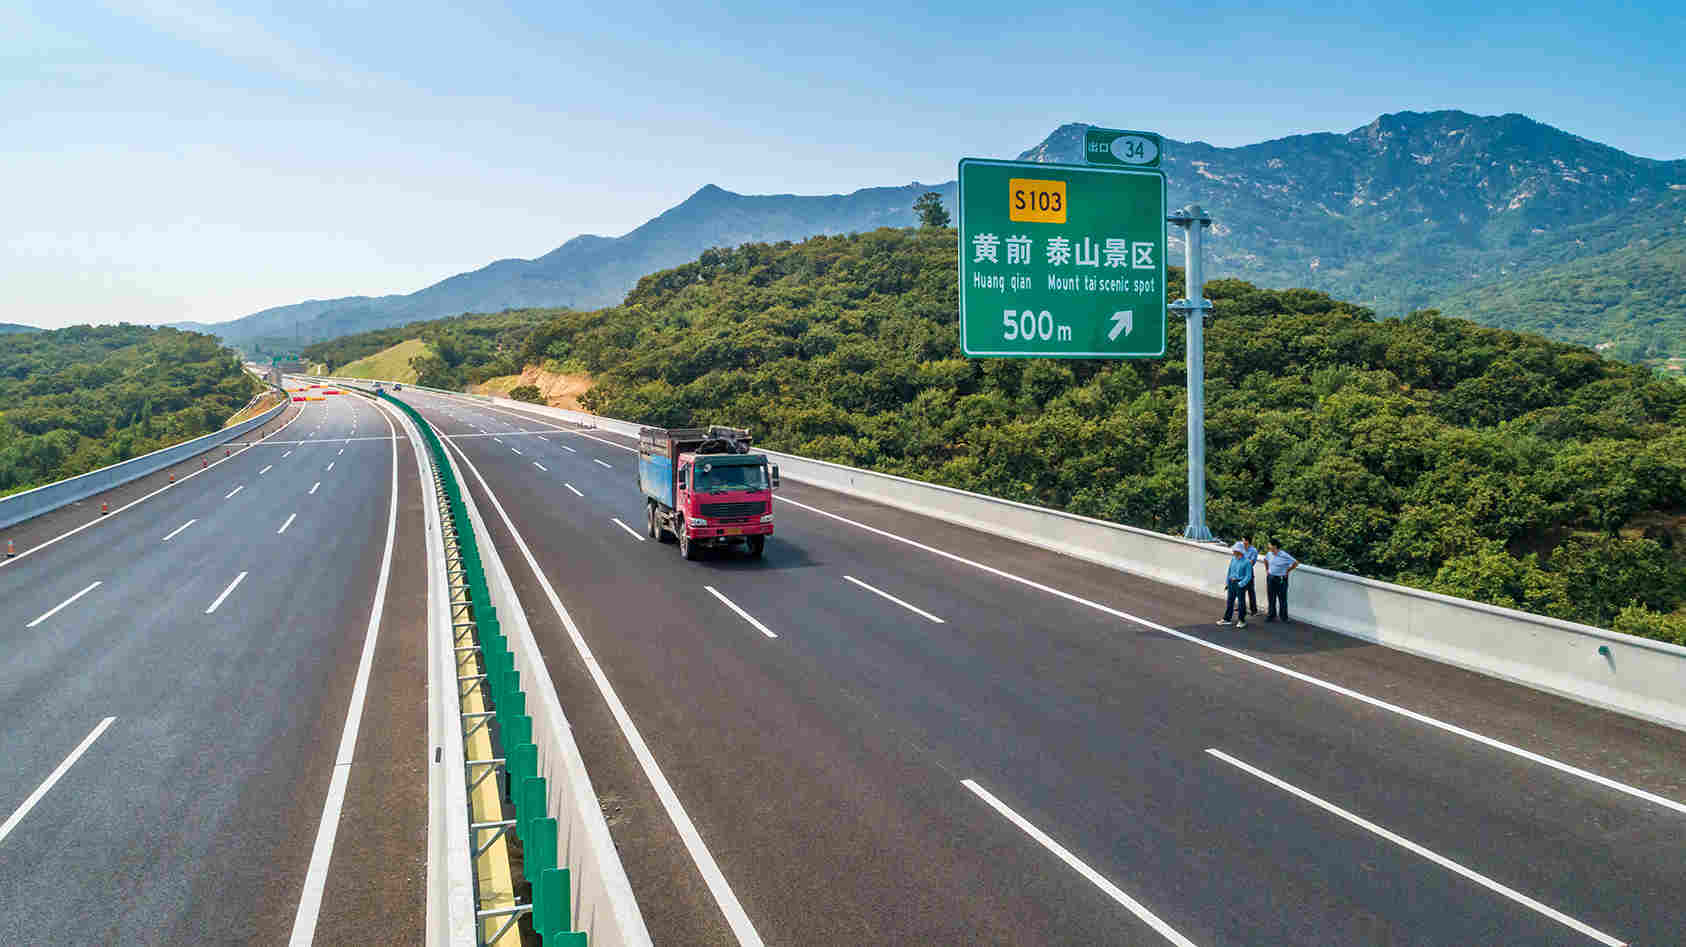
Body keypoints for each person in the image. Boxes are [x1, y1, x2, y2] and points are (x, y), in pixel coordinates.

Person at [1264, 540, 1299, 623]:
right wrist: (1267, 570)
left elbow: (1296, 563)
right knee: (1271, 597)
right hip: (1270, 578)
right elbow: (1265, 560)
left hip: (1281, 579)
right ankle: (1271, 615)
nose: (1268, 546)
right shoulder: (1269, 554)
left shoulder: (1284, 555)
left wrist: (1287, 571)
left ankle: (1284, 617)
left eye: (1270, 545)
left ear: (1275, 546)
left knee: (1282, 598)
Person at [1218, 547, 1250, 628]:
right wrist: (1227, 583)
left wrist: (1241, 584)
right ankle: (1227, 619)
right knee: (1230, 601)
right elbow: (1229, 571)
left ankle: (1241, 620)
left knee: (1241, 603)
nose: (1233, 552)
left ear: (1239, 552)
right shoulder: (1233, 559)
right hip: (1231, 582)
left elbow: (1248, 576)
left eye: (1235, 551)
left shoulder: (1247, 562)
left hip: (1239, 583)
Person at [1236, 536, 1260, 618]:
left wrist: (1244, 562)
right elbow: (1238, 558)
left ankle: (1254, 610)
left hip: (1248, 571)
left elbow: (1252, 562)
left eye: (1243, 540)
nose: (1242, 542)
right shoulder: (1241, 548)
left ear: (1247, 541)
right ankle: (1241, 607)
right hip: (1240, 571)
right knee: (1240, 590)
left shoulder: (1253, 550)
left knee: (1250, 591)